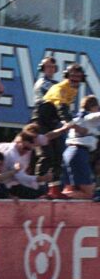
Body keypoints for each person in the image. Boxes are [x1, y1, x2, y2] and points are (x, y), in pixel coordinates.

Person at [35, 63, 86, 198]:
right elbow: (62, 109)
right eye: (72, 78)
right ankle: (39, 189)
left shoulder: (73, 89)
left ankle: (54, 189)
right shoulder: (60, 88)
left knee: (58, 156)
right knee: (47, 155)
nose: (75, 81)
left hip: (53, 123)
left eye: (78, 78)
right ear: (66, 76)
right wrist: (75, 127)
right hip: (41, 121)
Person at [0, 132, 52, 198]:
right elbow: (21, 178)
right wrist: (41, 179)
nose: (26, 151)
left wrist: (62, 129)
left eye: (29, 149)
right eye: (25, 148)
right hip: (1, 182)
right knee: (41, 190)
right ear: (18, 142)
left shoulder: (5, 144)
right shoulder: (13, 156)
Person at [61, 95, 100, 199]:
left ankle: (58, 201)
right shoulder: (89, 117)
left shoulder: (76, 119)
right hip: (79, 153)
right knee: (89, 193)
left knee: (70, 189)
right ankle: (57, 198)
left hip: (69, 152)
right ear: (93, 107)